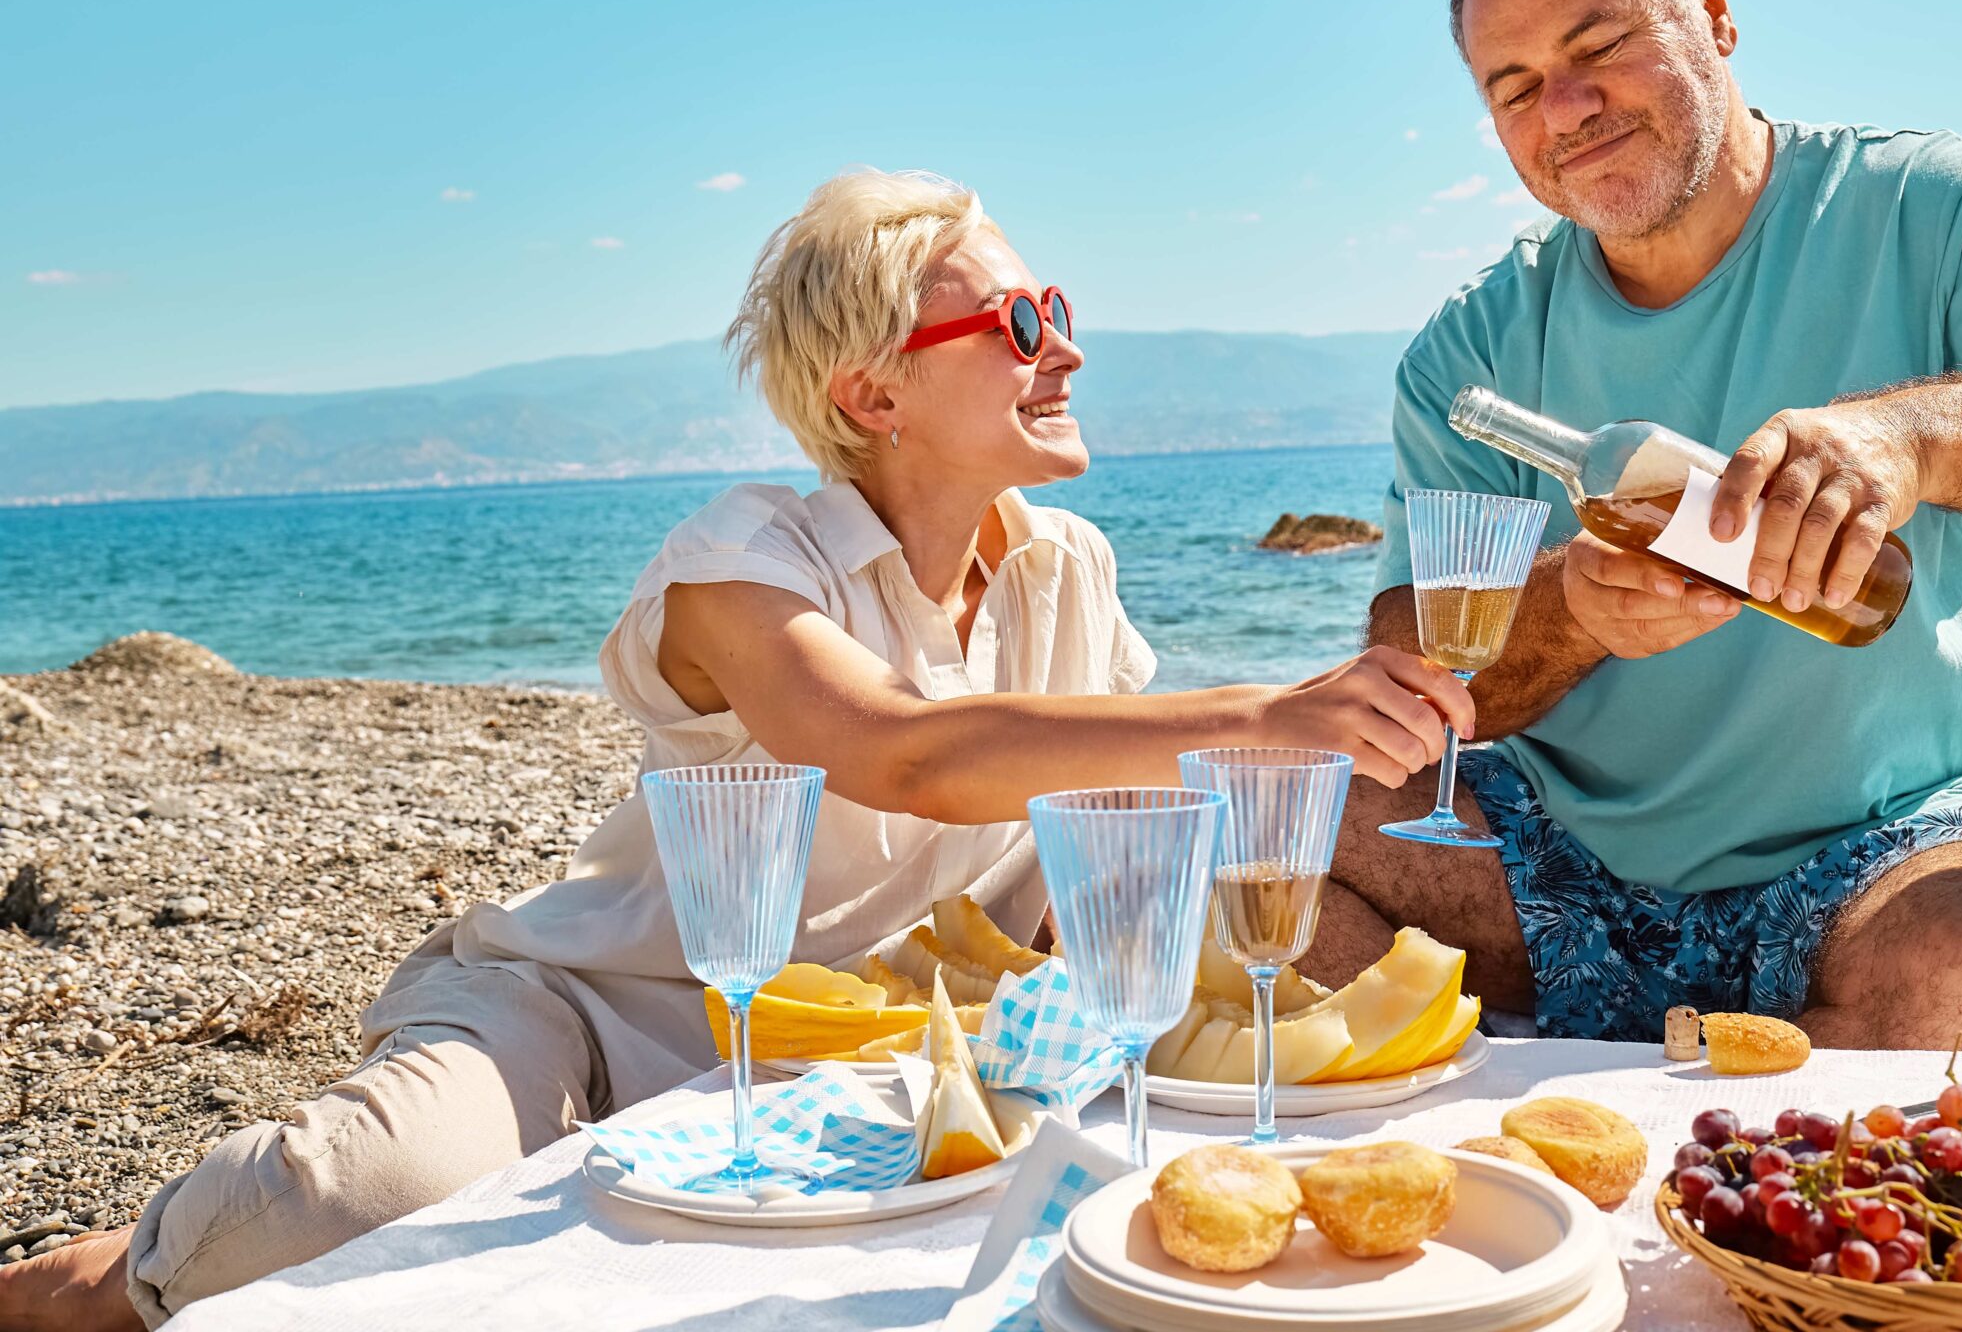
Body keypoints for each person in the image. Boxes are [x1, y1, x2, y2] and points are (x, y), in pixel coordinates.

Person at [0, 169, 1471, 1329]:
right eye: (1017, 324)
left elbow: (1066, 848)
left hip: (859, 1066)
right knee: (360, 1202)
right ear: (872, 396)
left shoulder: (1067, 569)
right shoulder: (740, 562)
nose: (1064, 346)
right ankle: (98, 1281)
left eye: (1058, 306)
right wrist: (1265, 715)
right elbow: (893, 750)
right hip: (599, 1023)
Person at [1306, 0, 1962, 1054]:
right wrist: (1571, 610)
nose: (1565, 108)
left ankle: (1606, 1090)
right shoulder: (1471, 352)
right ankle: (1654, 1086)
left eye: (1599, 46)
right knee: (1264, 825)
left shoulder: (1939, 212)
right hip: (1562, 869)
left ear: (1712, 10)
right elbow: (1412, 671)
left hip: (1888, 853)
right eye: (1512, 89)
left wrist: (1913, 442)